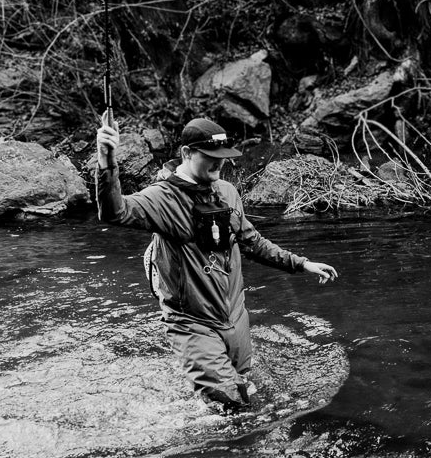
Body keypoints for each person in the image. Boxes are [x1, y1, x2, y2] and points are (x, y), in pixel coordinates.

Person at [94, 111, 338, 412]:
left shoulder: (227, 192)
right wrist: (107, 161)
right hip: (193, 323)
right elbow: (114, 212)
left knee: (248, 395)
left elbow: (253, 243)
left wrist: (301, 264)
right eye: (210, 155)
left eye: (223, 155)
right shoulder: (161, 198)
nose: (220, 162)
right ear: (186, 153)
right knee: (233, 405)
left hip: (236, 318)